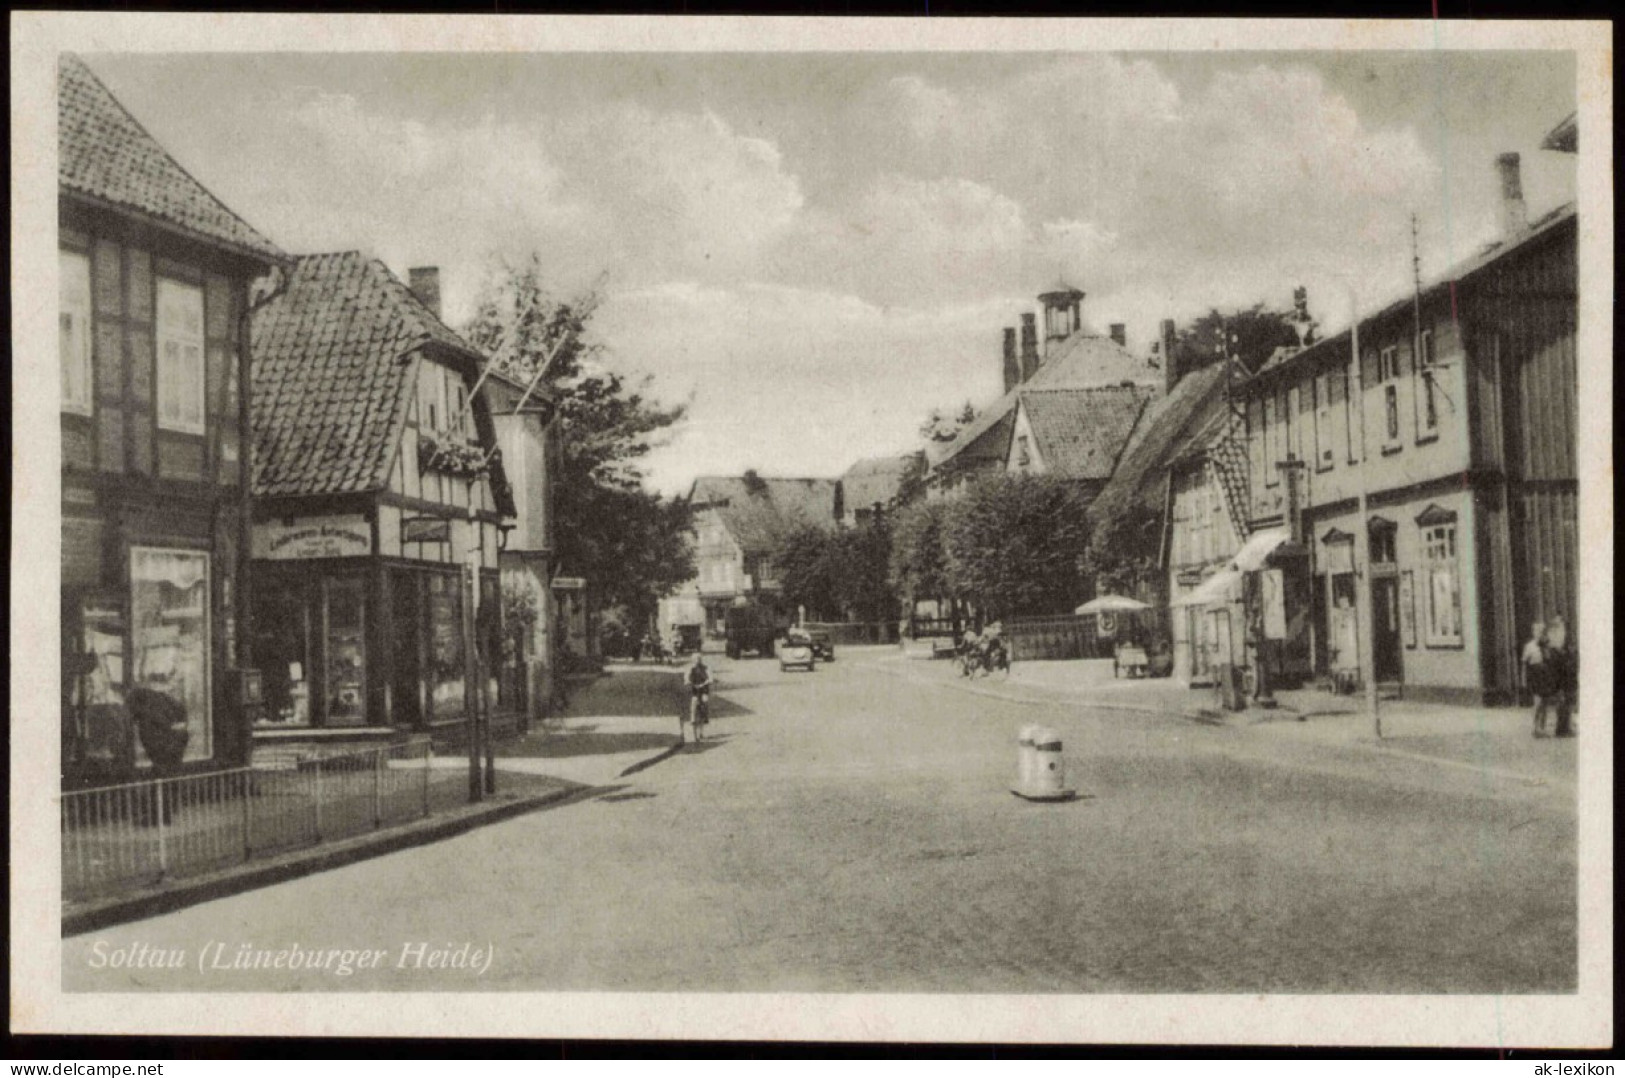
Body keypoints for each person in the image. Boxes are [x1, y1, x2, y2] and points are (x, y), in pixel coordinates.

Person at [1546, 616, 1576, 739]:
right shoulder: (1554, 649)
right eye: (1560, 626)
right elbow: (1554, 665)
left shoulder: (1562, 648)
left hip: (1565, 677)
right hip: (1559, 679)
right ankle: (1562, 729)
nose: (1562, 631)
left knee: (1566, 702)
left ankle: (1565, 727)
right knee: (1562, 701)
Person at [1522, 621, 1553, 738]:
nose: (1540, 633)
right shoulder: (1529, 646)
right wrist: (1523, 679)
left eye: (1542, 631)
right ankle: (1534, 728)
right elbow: (1524, 664)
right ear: (1534, 632)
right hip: (1535, 675)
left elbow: (1550, 660)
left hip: (1545, 675)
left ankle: (1542, 728)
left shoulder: (1546, 645)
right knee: (1538, 702)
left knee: (1545, 703)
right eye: (1538, 631)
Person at [685, 655, 714, 742]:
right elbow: (686, 677)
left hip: (704, 689)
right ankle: (692, 720)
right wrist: (688, 681)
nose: (697, 661)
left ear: (701, 660)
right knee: (693, 704)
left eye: (699, 659)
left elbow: (710, 677)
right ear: (692, 660)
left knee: (705, 701)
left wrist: (707, 682)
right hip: (695, 689)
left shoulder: (706, 668)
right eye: (695, 659)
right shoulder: (690, 668)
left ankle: (705, 719)